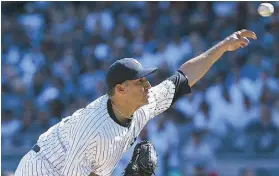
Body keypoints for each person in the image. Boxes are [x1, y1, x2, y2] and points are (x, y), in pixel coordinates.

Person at [14, 29, 257, 176]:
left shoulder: (142, 105)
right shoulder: (92, 130)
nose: (148, 86)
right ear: (120, 89)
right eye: (140, 82)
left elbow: (183, 77)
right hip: (42, 169)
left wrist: (223, 47)